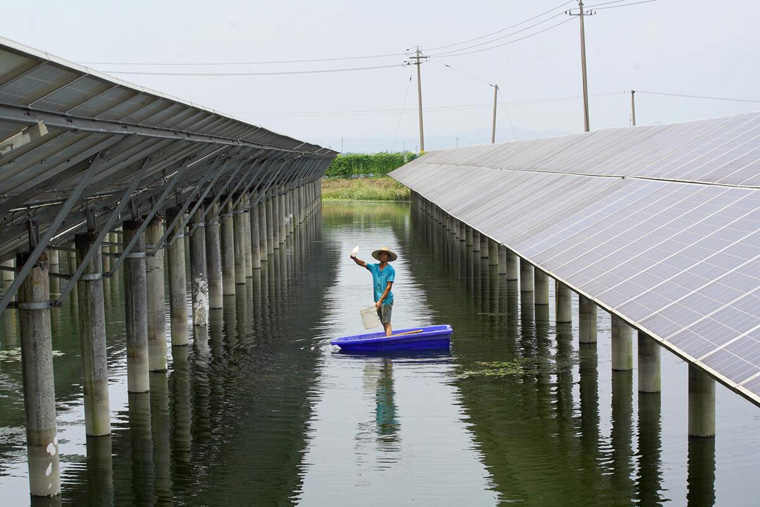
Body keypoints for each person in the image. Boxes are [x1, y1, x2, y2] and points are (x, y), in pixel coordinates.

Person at [351, 246, 397, 337]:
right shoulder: (374, 267)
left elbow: (389, 287)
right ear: (379, 257)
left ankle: (389, 341)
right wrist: (354, 258)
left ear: (388, 257)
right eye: (381, 254)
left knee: (386, 322)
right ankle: (388, 337)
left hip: (386, 300)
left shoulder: (390, 270)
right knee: (383, 321)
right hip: (378, 300)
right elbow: (363, 263)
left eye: (385, 255)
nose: (383, 256)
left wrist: (380, 300)